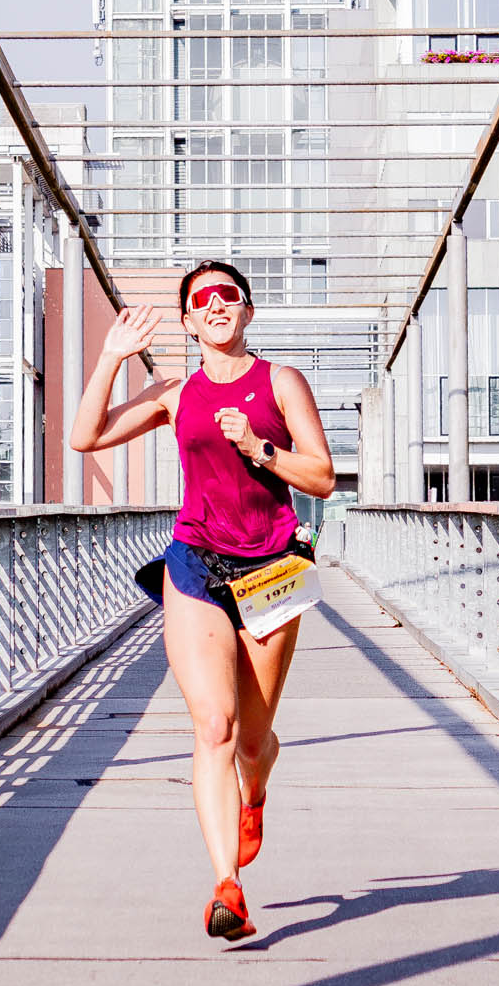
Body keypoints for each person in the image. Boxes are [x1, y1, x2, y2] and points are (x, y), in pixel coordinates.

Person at [70, 260, 336, 942]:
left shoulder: (280, 382)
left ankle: (256, 789)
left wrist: (259, 447)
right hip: (194, 562)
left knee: (251, 738)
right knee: (214, 726)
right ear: (188, 322)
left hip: (272, 568)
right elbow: (84, 437)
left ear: (246, 311)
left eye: (229, 295)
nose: (216, 304)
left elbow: (322, 477)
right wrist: (110, 357)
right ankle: (227, 887)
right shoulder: (173, 393)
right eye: (202, 299)